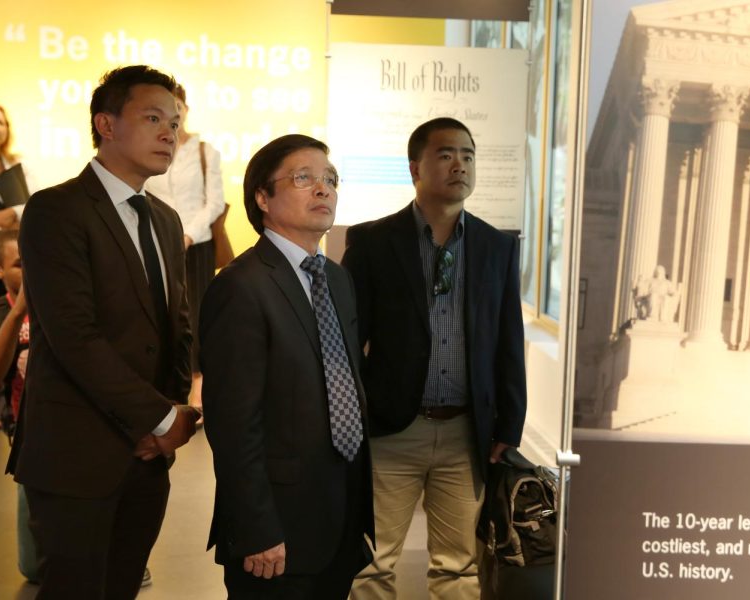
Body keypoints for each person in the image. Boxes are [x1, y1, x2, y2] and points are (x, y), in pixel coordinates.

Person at [6, 65, 200, 599]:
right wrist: (159, 417)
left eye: (176, 122)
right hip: (77, 456)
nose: (170, 133)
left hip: (147, 457)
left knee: (121, 588)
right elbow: (74, 337)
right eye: (154, 117)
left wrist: (169, 416)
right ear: (106, 125)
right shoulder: (56, 209)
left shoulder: (162, 217)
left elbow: (178, 329)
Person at [343, 117, 527, 599]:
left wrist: (509, 429)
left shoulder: (497, 247)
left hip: (466, 436)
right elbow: (344, 337)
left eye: (468, 155)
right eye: (446, 154)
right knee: (372, 564)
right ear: (415, 167)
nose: (459, 164)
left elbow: (508, 341)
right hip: (391, 430)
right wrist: (362, 407)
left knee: (459, 568)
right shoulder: (373, 242)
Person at [200, 134, 374, 599]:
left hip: (339, 518)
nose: (323, 190)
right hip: (275, 526)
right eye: (304, 178)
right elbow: (234, 424)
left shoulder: (336, 278)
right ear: (262, 196)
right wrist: (257, 526)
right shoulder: (241, 286)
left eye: (330, 180)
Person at [145, 83, 226, 412]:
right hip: (156, 241)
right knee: (161, 310)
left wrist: (188, 235)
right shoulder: (150, 150)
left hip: (197, 245)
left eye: (176, 107)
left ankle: (199, 385)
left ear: (185, 110)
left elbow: (214, 203)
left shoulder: (206, 152)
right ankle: (167, 382)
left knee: (196, 311)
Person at [0, 230, 36, 581]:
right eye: (19, 264)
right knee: (34, 566)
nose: (29, 270)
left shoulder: (59, 301)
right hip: (27, 438)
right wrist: (20, 310)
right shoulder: (0, 312)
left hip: (69, 430)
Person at [0, 102, 37, 230]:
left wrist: (12, 213)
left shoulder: (20, 164)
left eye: (0, 122)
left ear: (7, 129)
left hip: (19, 243)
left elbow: (36, 205)